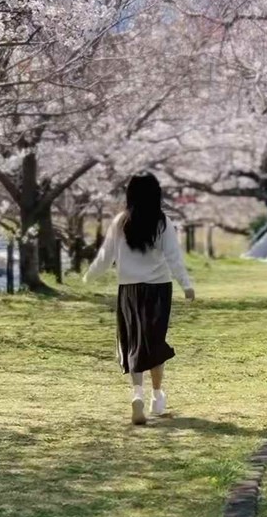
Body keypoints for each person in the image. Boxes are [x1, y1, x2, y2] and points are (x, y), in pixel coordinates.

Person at [83, 171, 195, 425]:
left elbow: (105, 256)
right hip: (158, 289)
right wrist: (186, 285)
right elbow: (174, 258)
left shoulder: (121, 221)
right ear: (156, 195)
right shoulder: (162, 222)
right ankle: (157, 396)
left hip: (129, 289)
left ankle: (137, 395)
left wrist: (88, 277)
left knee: (132, 339)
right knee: (154, 340)